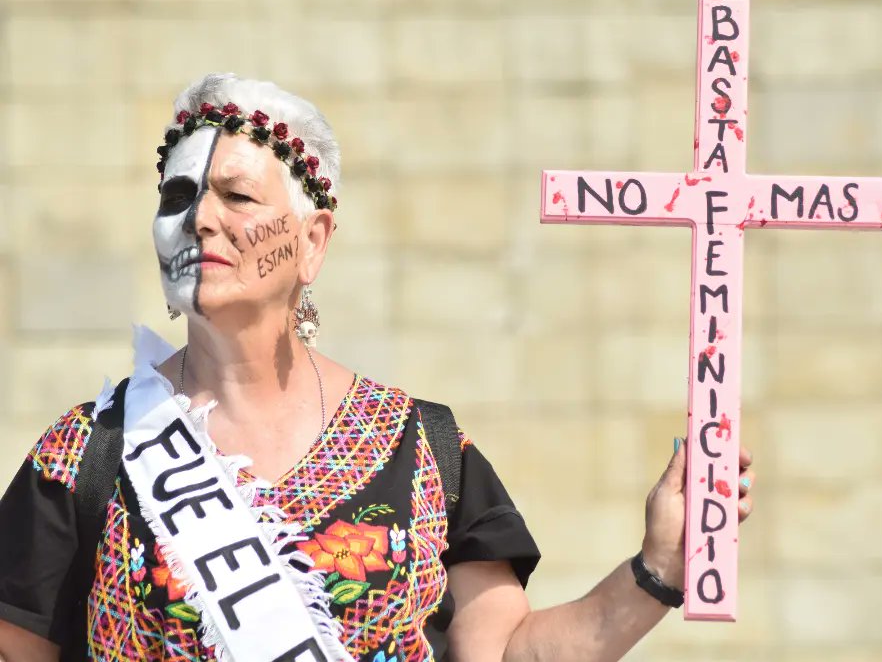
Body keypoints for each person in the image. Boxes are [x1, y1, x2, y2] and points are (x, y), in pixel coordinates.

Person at [0, 73, 755, 662]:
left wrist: (657, 569)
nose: (200, 218)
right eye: (178, 195)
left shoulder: (422, 447)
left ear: (313, 240)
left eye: (235, 195)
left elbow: (501, 651)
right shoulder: (85, 458)